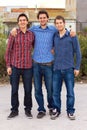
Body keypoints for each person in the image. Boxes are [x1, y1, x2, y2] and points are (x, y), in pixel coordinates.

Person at [11, 10, 76, 119]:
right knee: (37, 89)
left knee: (50, 89)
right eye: (40, 18)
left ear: (47, 19)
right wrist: (14, 29)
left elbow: (62, 30)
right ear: (38, 19)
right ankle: (41, 109)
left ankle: (51, 107)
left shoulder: (53, 29)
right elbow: (23, 29)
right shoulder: (34, 29)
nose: (42, 19)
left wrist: (71, 31)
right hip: (36, 64)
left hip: (49, 64)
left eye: (44, 17)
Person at [50, 15, 81, 120]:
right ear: (55, 25)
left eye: (60, 23)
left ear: (64, 23)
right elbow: (52, 48)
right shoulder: (54, 36)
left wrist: (77, 67)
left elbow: (78, 52)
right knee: (55, 92)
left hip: (69, 69)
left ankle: (70, 111)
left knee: (70, 92)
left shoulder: (72, 36)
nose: (59, 25)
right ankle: (56, 110)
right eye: (57, 23)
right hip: (57, 69)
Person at [5, 13, 34, 119]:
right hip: (15, 66)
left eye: (24, 20)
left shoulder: (31, 34)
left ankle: (28, 110)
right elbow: (8, 51)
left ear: (27, 22)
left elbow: (36, 47)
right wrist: (8, 66)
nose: (22, 22)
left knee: (28, 90)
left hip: (28, 67)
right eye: (20, 20)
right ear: (18, 22)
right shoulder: (13, 33)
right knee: (14, 90)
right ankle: (14, 110)